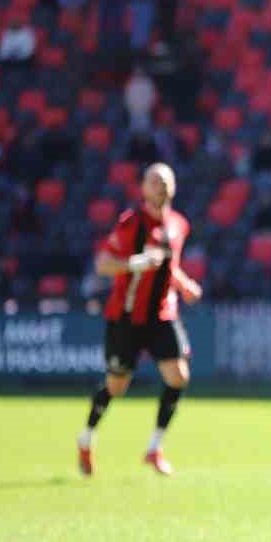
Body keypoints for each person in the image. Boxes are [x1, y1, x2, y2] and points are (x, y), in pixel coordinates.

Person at [77, 164, 202, 477]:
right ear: (143, 188)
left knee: (179, 376)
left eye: (167, 181)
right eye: (155, 181)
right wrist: (137, 263)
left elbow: (169, 266)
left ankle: (154, 448)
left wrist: (184, 284)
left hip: (162, 314)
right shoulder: (131, 223)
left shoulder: (179, 225)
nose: (162, 186)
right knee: (116, 386)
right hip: (126, 316)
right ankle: (86, 438)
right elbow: (103, 264)